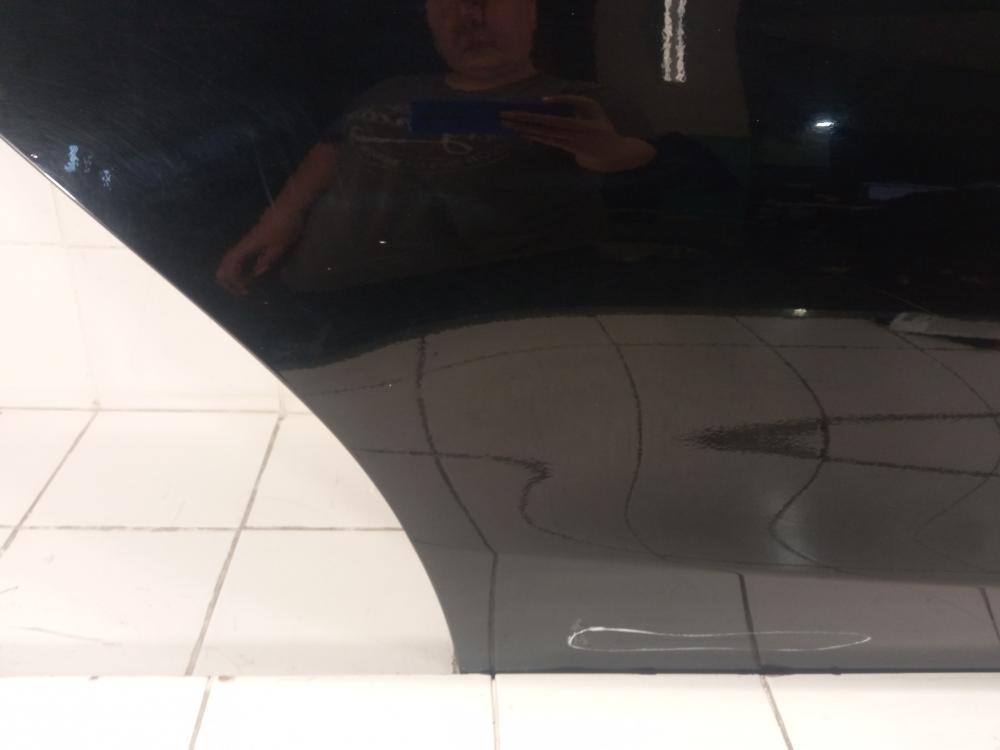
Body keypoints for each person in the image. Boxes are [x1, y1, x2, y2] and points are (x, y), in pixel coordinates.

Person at [217, 0, 656, 296]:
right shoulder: (391, 90)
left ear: (532, 14)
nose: (470, 18)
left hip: (458, 316)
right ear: (430, 21)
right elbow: (332, 147)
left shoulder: (579, 99)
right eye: (448, 5)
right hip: (313, 302)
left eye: (489, 3)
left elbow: (640, 159)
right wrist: (275, 221)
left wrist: (604, 151)